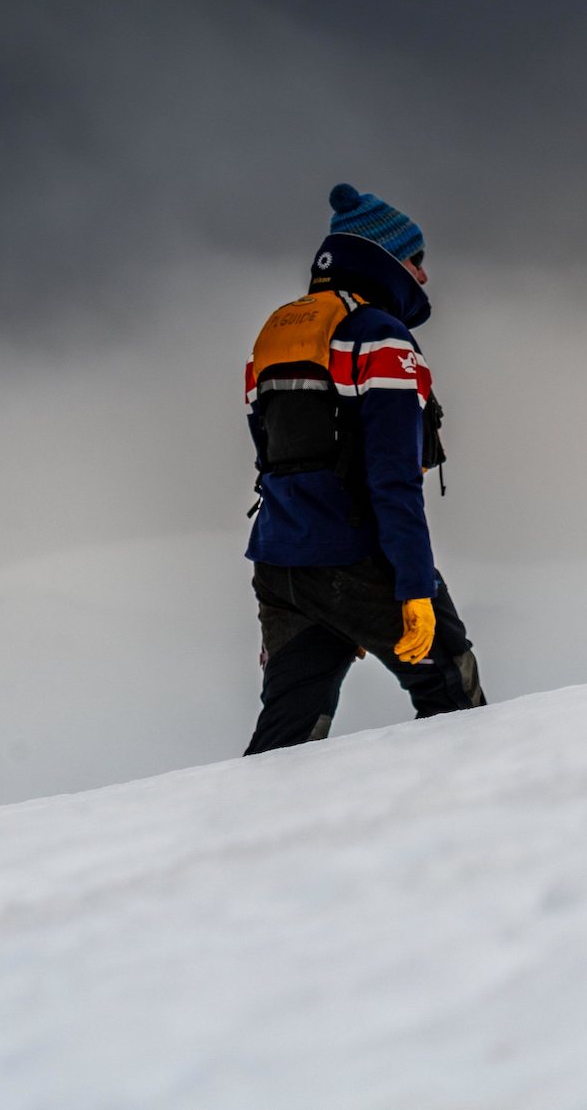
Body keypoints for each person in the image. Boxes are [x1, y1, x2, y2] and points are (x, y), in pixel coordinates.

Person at [240, 183, 485, 753]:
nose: (422, 277)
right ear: (381, 258)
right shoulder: (376, 334)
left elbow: (266, 457)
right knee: (454, 692)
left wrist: (324, 600)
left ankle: (252, 834)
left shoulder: (274, 333)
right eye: (415, 259)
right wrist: (413, 585)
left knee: (288, 734)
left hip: (280, 563)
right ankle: (477, 828)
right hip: (358, 558)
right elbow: (392, 478)